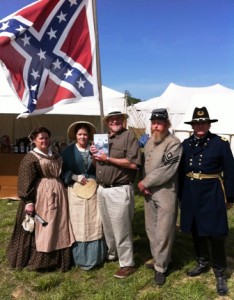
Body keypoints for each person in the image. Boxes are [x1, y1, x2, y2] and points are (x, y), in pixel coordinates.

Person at [179, 107, 234, 296]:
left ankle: (220, 271)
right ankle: (202, 261)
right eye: (196, 123)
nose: (200, 126)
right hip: (190, 192)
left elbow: (230, 172)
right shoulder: (186, 144)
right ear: (193, 125)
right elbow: (180, 172)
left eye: (203, 122)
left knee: (216, 232)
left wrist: (230, 196)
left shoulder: (220, 143)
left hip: (212, 192)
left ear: (209, 124)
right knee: (196, 229)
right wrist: (180, 195)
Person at [7, 127, 75, 272]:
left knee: (60, 224)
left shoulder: (55, 154)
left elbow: (62, 172)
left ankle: (61, 259)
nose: (44, 141)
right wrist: (28, 201)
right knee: (44, 225)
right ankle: (41, 261)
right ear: (34, 140)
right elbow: (25, 181)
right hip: (41, 195)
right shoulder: (30, 157)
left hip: (59, 192)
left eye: (46, 138)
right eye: (41, 138)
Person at [90, 108, 142, 279]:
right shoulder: (103, 138)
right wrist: (94, 154)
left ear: (123, 120)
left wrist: (108, 159)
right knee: (108, 225)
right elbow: (98, 164)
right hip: (103, 189)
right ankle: (113, 253)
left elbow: (133, 164)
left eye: (117, 119)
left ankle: (127, 263)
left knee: (122, 228)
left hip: (119, 189)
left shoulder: (129, 137)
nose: (114, 122)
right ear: (107, 123)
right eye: (111, 120)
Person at [138, 108, 182, 286]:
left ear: (167, 124)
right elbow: (144, 165)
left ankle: (161, 268)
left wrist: (145, 183)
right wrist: (144, 184)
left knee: (164, 231)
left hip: (165, 192)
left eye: (160, 123)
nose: (156, 126)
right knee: (151, 228)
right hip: (148, 192)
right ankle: (159, 259)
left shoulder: (174, 143)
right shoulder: (149, 141)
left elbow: (167, 170)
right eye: (153, 123)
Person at [61, 121, 106, 270]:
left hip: (93, 191)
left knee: (94, 221)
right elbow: (61, 172)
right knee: (78, 224)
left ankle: (96, 256)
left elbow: (102, 167)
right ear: (75, 135)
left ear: (89, 136)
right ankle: (78, 256)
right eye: (80, 134)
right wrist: (74, 177)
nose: (82, 137)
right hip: (75, 193)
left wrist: (95, 156)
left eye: (85, 134)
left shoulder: (96, 149)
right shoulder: (67, 152)